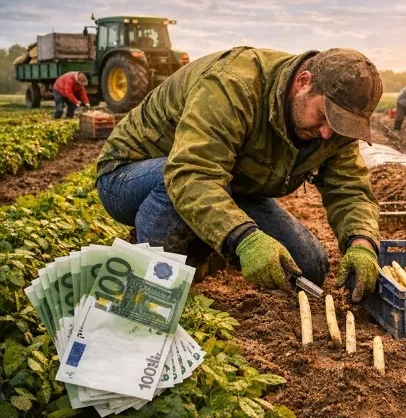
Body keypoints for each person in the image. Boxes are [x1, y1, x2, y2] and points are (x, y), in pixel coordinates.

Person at [95, 47, 383, 303]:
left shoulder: (331, 133)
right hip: (130, 176)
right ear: (303, 82)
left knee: (309, 268)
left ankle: (209, 238)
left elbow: (351, 190)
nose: (326, 133)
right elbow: (191, 174)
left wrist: (362, 243)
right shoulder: (232, 84)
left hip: (228, 183)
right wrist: (244, 238)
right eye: (324, 116)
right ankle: (156, 274)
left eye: (340, 126)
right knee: (177, 181)